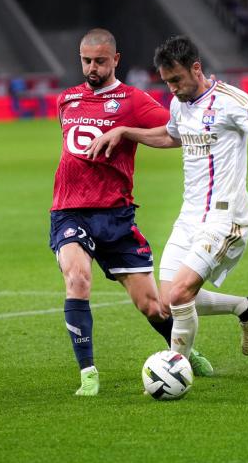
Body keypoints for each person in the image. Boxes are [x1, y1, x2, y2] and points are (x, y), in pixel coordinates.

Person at [87, 35, 248, 365]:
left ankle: (175, 368)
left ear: (196, 68)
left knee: (179, 294)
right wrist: (126, 132)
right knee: (168, 299)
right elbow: (170, 135)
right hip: (189, 216)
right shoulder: (179, 104)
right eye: (167, 83)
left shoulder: (230, 100)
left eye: (177, 80)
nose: (173, 89)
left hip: (225, 217)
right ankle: (247, 307)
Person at [50, 28, 213, 397]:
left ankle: (183, 355)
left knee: (154, 306)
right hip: (70, 212)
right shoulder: (67, 100)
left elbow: (173, 134)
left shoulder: (133, 100)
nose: (92, 68)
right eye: (86, 61)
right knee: (77, 279)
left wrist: (125, 133)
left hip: (116, 215)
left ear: (115, 60)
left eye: (100, 61)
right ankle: (88, 373)